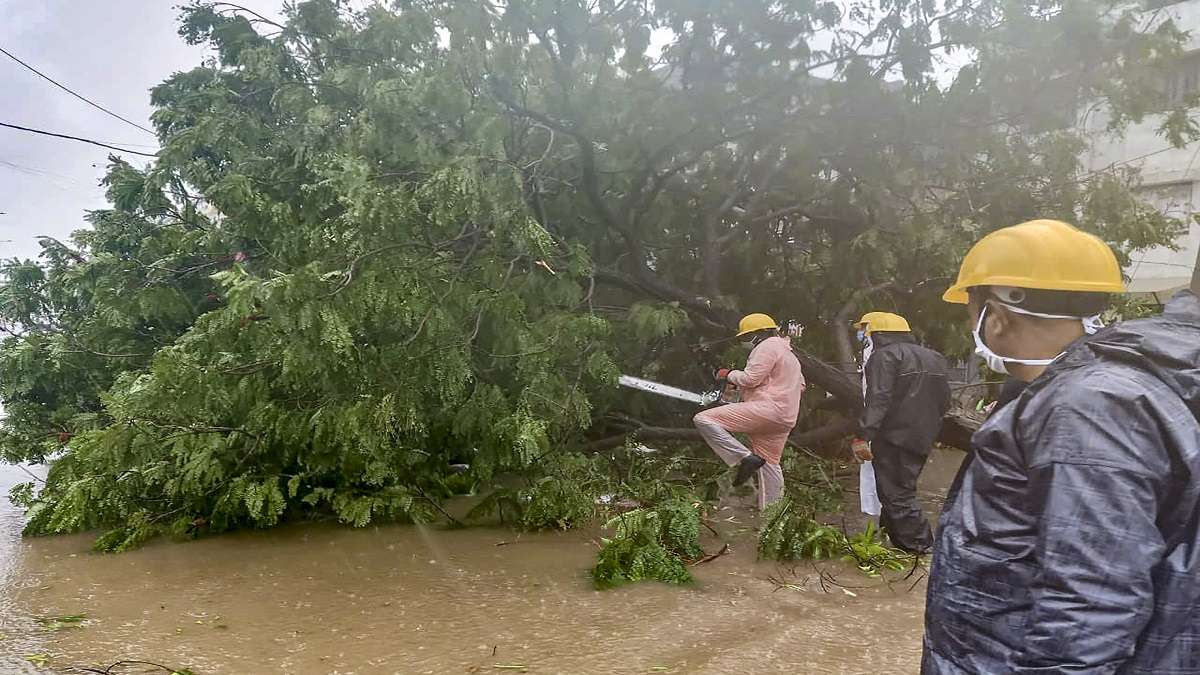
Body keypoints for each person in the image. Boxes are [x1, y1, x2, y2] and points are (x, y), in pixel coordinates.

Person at [923, 219, 1200, 673]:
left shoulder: (1089, 408)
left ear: (996, 316)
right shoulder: (1072, 393)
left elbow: (1090, 604)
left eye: (969, 311)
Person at [849, 311, 950, 553]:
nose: (863, 336)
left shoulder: (884, 357)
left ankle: (921, 547)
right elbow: (945, 400)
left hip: (893, 435)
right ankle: (896, 542)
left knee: (897, 494)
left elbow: (878, 400)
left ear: (879, 334)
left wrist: (863, 435)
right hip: (923, 435)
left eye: (866, 332)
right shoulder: (934, 357)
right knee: (899, 488)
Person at [693, 313, 805, 510]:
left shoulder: (767, 346)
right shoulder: (789, 354)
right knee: (770, 466)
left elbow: (751, 378)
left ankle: (744, 457)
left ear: (758, 333)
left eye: (746, 337)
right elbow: (800, 385)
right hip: (785, 417)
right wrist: (743, 391)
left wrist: (728, 374)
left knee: (703, 419)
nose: (745, 342)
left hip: (767, 409)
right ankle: (773, 517)